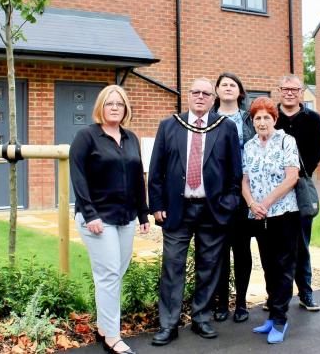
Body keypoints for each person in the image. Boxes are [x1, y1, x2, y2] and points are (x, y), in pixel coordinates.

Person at [148, 78, 243, 346]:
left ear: (212, 99)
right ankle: (168, 324)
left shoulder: (225, 128)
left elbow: (235, 173)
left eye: (205, 93)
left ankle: (201, 317)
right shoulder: (170, 126)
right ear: (187, 96)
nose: (200, 97)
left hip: (212, 211)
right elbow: (156, 170)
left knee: (208, 267)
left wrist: (230, 203)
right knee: (172, 267)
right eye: (195, 93)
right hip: (177, 210)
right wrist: (156, 205)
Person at [69, 85, 150, 354]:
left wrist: (143, 213)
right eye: (109, 103)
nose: (114, 107)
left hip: (126, 218)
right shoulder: (86, 137)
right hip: (98, 220)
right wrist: (90, 213)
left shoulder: (130, 138)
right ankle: (112, 337)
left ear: (125, 108)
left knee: (115, 273)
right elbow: (78, 178)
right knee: (109, 275)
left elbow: (138, 178)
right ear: (100, 107)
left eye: (119, 103)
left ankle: (103, 327)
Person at [242, 97, 301, 344]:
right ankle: (272, 313)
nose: (262, 122)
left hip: (284, 214)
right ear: (253, 122)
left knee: (284, 267)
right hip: (258, 215)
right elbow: (244, 180)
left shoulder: (287, 141)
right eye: (258, 118)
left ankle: (280, 318)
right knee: (268, 266)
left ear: (274, 119)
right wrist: (252, 204)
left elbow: (292, 178)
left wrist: (265, 203)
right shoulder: (249, 146)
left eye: (267, 117)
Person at [274, 75, 320, 312]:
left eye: (294, 89)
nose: (290, 93)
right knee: (276, 246)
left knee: (302, 244)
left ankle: (305, 292)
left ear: (301, 92)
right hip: (275, 190)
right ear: (279, 91)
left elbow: (316, 151)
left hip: (301, 187)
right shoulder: (271, 116)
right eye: (285, 89)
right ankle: (275, 296)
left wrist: (297, 174)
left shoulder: (312, 119)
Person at [211, 72, 256, 323]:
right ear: (217, 91)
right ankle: (220, 302)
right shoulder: (209, 119)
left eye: (233, 85)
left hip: (245, 193)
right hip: (217, 194)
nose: (228, 88)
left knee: (241, 248)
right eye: (224, 85)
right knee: (219, 250)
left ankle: (241, 302)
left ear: (240, 92)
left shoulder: (249, 118)